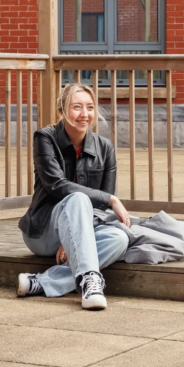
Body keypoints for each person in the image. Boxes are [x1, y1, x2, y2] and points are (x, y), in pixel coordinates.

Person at [16, 83, 130, 310]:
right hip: (43, 232)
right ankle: (90, 282)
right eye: (76, 107)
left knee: (120, 239)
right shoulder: (45, 138)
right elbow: (58, 186)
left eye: (89, 107)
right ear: (61, 111)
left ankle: (41, 282)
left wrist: (73, 239)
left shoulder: (105, 148)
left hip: (83, 229)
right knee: (78, 198)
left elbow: (102, 212)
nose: (84, 114)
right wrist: (111, 199)